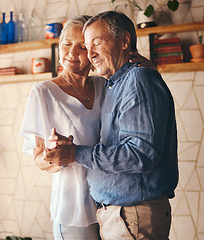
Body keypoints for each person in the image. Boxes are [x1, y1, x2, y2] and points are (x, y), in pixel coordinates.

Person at [45, 11, 179, 240]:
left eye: (96, 42)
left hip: (132, 217)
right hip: (123, 217)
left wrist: (76, 153)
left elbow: (140, 154)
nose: (90, 53)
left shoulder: (138, 80)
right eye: (87, 46)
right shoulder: (115, 84)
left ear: (125, 41)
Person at [20, 14, 154, 240]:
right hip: (74, 207)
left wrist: (148, 67)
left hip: (113, 204)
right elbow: (38, 159)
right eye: (66, 44)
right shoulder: (43, 93)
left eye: (82, 46)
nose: (72, 53)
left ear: (93, 51)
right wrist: (52, 155)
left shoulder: (106, 85)